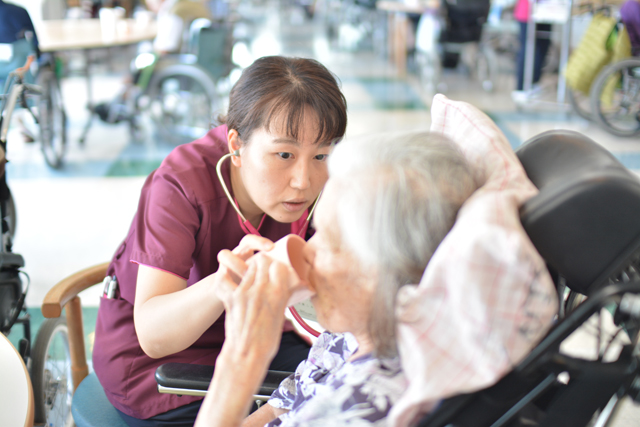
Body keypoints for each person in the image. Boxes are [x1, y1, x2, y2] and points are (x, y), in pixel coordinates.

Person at [92, 55, 348, 427]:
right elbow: (153, 334)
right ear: (236, 145)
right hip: (161, 371)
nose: (303, 180)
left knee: (352, 372)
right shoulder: (180, 185)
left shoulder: (320, 181)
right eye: (284, 154)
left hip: (255, 334)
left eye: (321, 154)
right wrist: (224, 282)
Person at [193, 131, 479, 427]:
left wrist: (242, 358)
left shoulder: (363, 406)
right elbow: (284, 409)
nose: (304, 252)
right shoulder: (350, 333)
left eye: (328, 242)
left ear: (385, 270)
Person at [511, 0, 551, 104]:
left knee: (543, 47)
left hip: (548, 11)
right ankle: (520, 87)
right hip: (527, 12)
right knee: (527, 48)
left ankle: (534, 82)